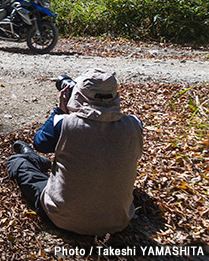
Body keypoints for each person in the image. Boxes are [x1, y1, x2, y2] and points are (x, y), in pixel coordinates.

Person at [7, 69, 143, 236]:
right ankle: (38, 162)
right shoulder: (135, 125)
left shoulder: (64, 123)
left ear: (79, 94)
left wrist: (60, 110)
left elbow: (40, 143)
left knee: (17, 162)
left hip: (63, 217)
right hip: (118, 220)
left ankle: (31, 160)